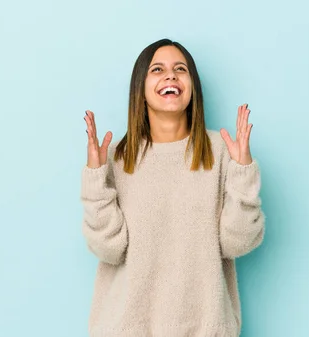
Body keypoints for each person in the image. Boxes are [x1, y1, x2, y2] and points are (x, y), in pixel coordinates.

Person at [80, 38, 265, 337]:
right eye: (158, 69)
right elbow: (108, 249)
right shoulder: (115, 156)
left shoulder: (220, 150)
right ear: (140, 87)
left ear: (192, 87)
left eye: (181, 69)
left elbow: (237, 243)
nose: (171, 75)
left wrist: (243, 171)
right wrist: (95, 176)